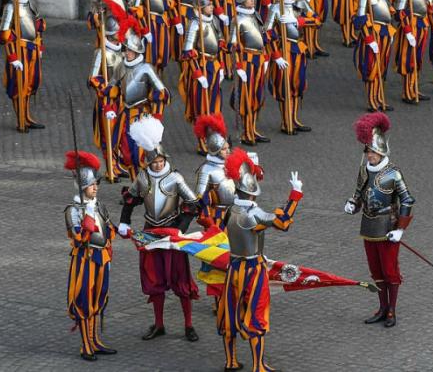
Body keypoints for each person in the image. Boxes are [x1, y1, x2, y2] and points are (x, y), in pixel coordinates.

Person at [217, 148, 303, 372]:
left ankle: (231, 361)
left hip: (233, 266)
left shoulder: (229, 210)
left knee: (229, 313)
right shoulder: (255, 214)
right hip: (253, 269)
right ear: (253, 194)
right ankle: (258, 367)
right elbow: (282, 221)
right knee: (257, 313)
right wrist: (295, 194)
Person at [119, 116, 201, 342]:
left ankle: (188, 325)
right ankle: (159, 324)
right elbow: (130, 200)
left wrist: (180, 229)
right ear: (147, 162)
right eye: (153, 161)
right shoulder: (142, 178)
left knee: (180, 279)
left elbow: (193, 204)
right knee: (153, 279)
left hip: (172, 232)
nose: (157, 164)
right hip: (149, 233)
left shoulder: (175, 178)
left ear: (165, 158)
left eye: (160, 160)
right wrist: (124, 222)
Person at [344, 112, 415, 328]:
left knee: (390, 270)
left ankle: (391, 309)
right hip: (368, 226)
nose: (369, 156)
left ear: (381, 151)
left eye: (372, 152)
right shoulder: (364, 170)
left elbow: (407, 199)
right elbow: (359, 193)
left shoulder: (393, 173)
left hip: (387, 227)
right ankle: (382, 307)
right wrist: (352, 204)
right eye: (368, 152)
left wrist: (400, 229)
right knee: (375, 270)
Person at [64, 150, 122, 361]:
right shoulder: (73, 210)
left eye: (96, 184)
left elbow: (107, 227)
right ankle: (85, 345)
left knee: (99, 298)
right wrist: (86, 224)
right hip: (85, 260)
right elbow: (78, 238)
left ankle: (95, 340)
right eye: (91, 185)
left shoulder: (98, 204)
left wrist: (121, 230)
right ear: (82, 187)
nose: (96, 187)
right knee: (84, 301)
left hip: (102, 258)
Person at [264, 0, 321, 135]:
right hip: (284, 49)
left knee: (297, 85)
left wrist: (298, 21)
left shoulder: (301, 4)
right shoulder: (275, 8)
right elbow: (266, 33)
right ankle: (285, 120)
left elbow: (317, 20)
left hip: (299, 49)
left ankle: (294, 119)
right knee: (285, 87)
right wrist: (276, 55)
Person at [116, 14, 170, 180]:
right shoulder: (120, 66)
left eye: (131, 50)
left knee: (142, 152)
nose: (128, 53)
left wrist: (156, 105)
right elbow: (113, 86)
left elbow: (163, 92)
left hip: (142, 114)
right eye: (126, 49)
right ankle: (134, 183)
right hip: (125, 113)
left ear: (138, 51)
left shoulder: (146, 68)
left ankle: (146, 183)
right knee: (127, 151)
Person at [181, 0, 228, 155]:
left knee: (215, 106)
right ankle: (202, 143)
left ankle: (214, 139)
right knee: (202, 108)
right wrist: (198, 74)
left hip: (214, 66)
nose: (212, 7)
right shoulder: (194, 24)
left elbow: (220, 43)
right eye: (209, 4)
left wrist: (222, 67)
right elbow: (188, 52)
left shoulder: (214, 21)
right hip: (201, 69)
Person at [0, 0, 45, 132]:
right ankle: (20, 120)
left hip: (33, 49)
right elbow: (4, 35)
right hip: (20, 51)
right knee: (20, 86)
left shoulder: (32, 3)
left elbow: (39, 25)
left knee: (31, 84)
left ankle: (27, 116)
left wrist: (40, 45)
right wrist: (12, 57)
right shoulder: (10, 7)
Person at [193, 113, 233, 301]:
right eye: (224, 149)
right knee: (218, 257)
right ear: (216, 150)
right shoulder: (206, 169)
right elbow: (199, 197)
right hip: (216, 217)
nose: (228, 150)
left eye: (228, 147)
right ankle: (219, 298)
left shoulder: (231, 164)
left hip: (234, 214)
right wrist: (208, 220)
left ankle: (232, 291)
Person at [230, 0, 271, 145]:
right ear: (241, 0)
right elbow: (233, 46)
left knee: (257, 96)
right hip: (247, 63)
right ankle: (246, 132)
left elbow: (262, 37)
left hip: (259, 60)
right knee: (247, 99)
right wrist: (238, 68)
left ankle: (253, 128)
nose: (253, 0)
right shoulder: (237, 21)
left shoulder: (255, 16)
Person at [353, 0, 396, 112]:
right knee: (372, 68)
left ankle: (379, 98)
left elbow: (389, 10)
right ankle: (371, 100)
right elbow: (361, 19)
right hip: (374, 33)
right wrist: (369, 40)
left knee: (382, 68)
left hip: (385, 31)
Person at [87, 0, 126, 182]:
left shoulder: (122, 51)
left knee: (119, 133)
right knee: (108, 136)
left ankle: (118, 165)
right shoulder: (101, 52)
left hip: (120, 98)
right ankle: (110, 168)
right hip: (106, 101)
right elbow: (93, 78)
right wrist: (104, 90)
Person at [393, 0, 430, 104]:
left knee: (418, 59)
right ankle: (406, 91)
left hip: (422, 23)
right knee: (408, 59)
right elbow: (400, 11)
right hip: (412, 25)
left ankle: (414, 88)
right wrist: (408, 31)